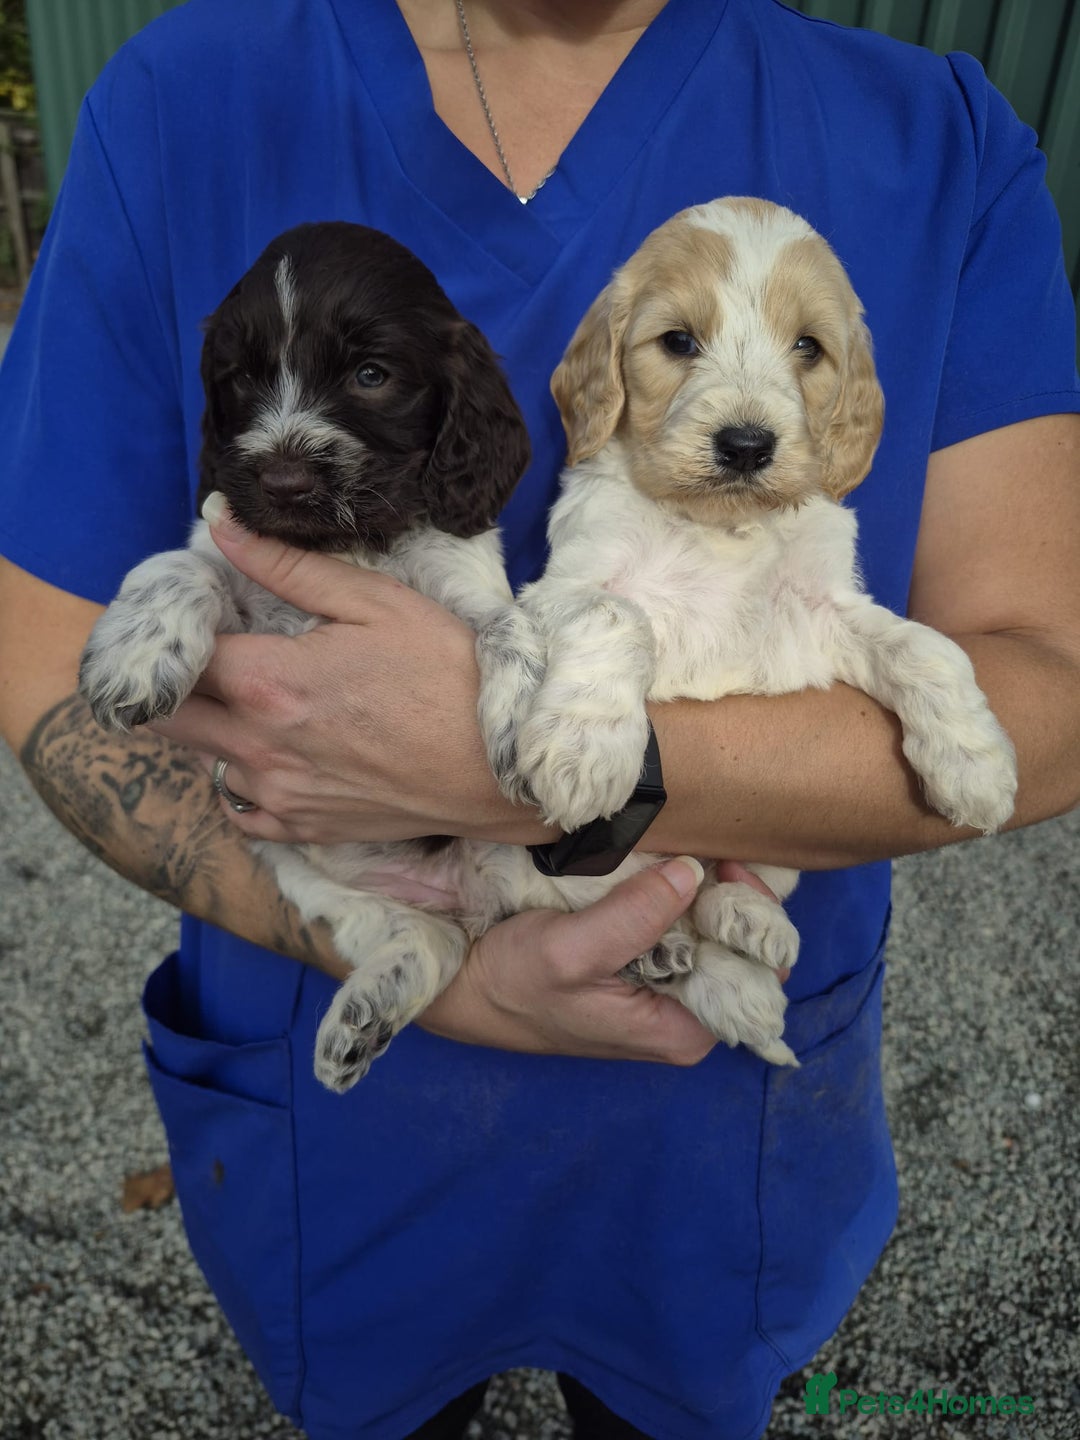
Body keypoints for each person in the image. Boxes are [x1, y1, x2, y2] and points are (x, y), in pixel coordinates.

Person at [0, 1, 1078, 1436]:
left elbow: (1046, 693)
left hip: (717, 1152)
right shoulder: (181, 100)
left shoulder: (937, 142)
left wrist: (546, 779)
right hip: (340, 1133)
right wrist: (433, 965)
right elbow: (39, 654)